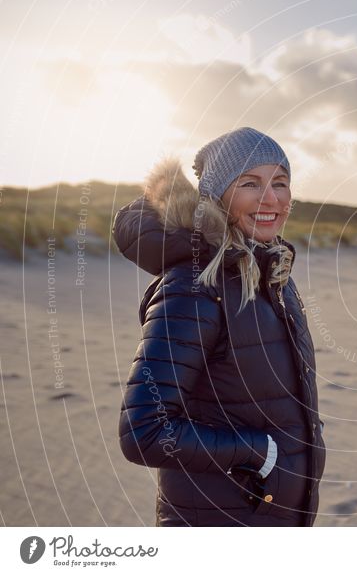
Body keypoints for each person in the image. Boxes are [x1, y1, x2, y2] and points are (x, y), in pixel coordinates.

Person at [112, 127, 326, 526]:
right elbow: (143, 432)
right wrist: (259, 453)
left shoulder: (274, 277)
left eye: (280, 182)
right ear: (218, 197)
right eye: (250, 183)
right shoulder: (194, 287)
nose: (271, 198)